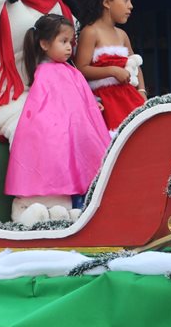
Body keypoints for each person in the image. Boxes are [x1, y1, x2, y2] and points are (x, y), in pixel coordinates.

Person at [7, 14, 111, 226]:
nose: (69, 48)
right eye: (63, 42)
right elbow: (44, 109)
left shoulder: (68, 70)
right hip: (56, 134)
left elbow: (74, 98)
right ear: (44, 44)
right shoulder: (46, 73)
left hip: (71, 131)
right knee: (60, 166)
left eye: (70, 42)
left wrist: (90, 105)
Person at [75, 0, 147, 131]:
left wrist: (141, 90)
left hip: (129, 98)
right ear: (107, 1)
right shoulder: (90, 32)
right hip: (105, 104)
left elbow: (135, 65)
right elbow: (81, 68)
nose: (131, 5)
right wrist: (112, 71)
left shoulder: (122, 35)